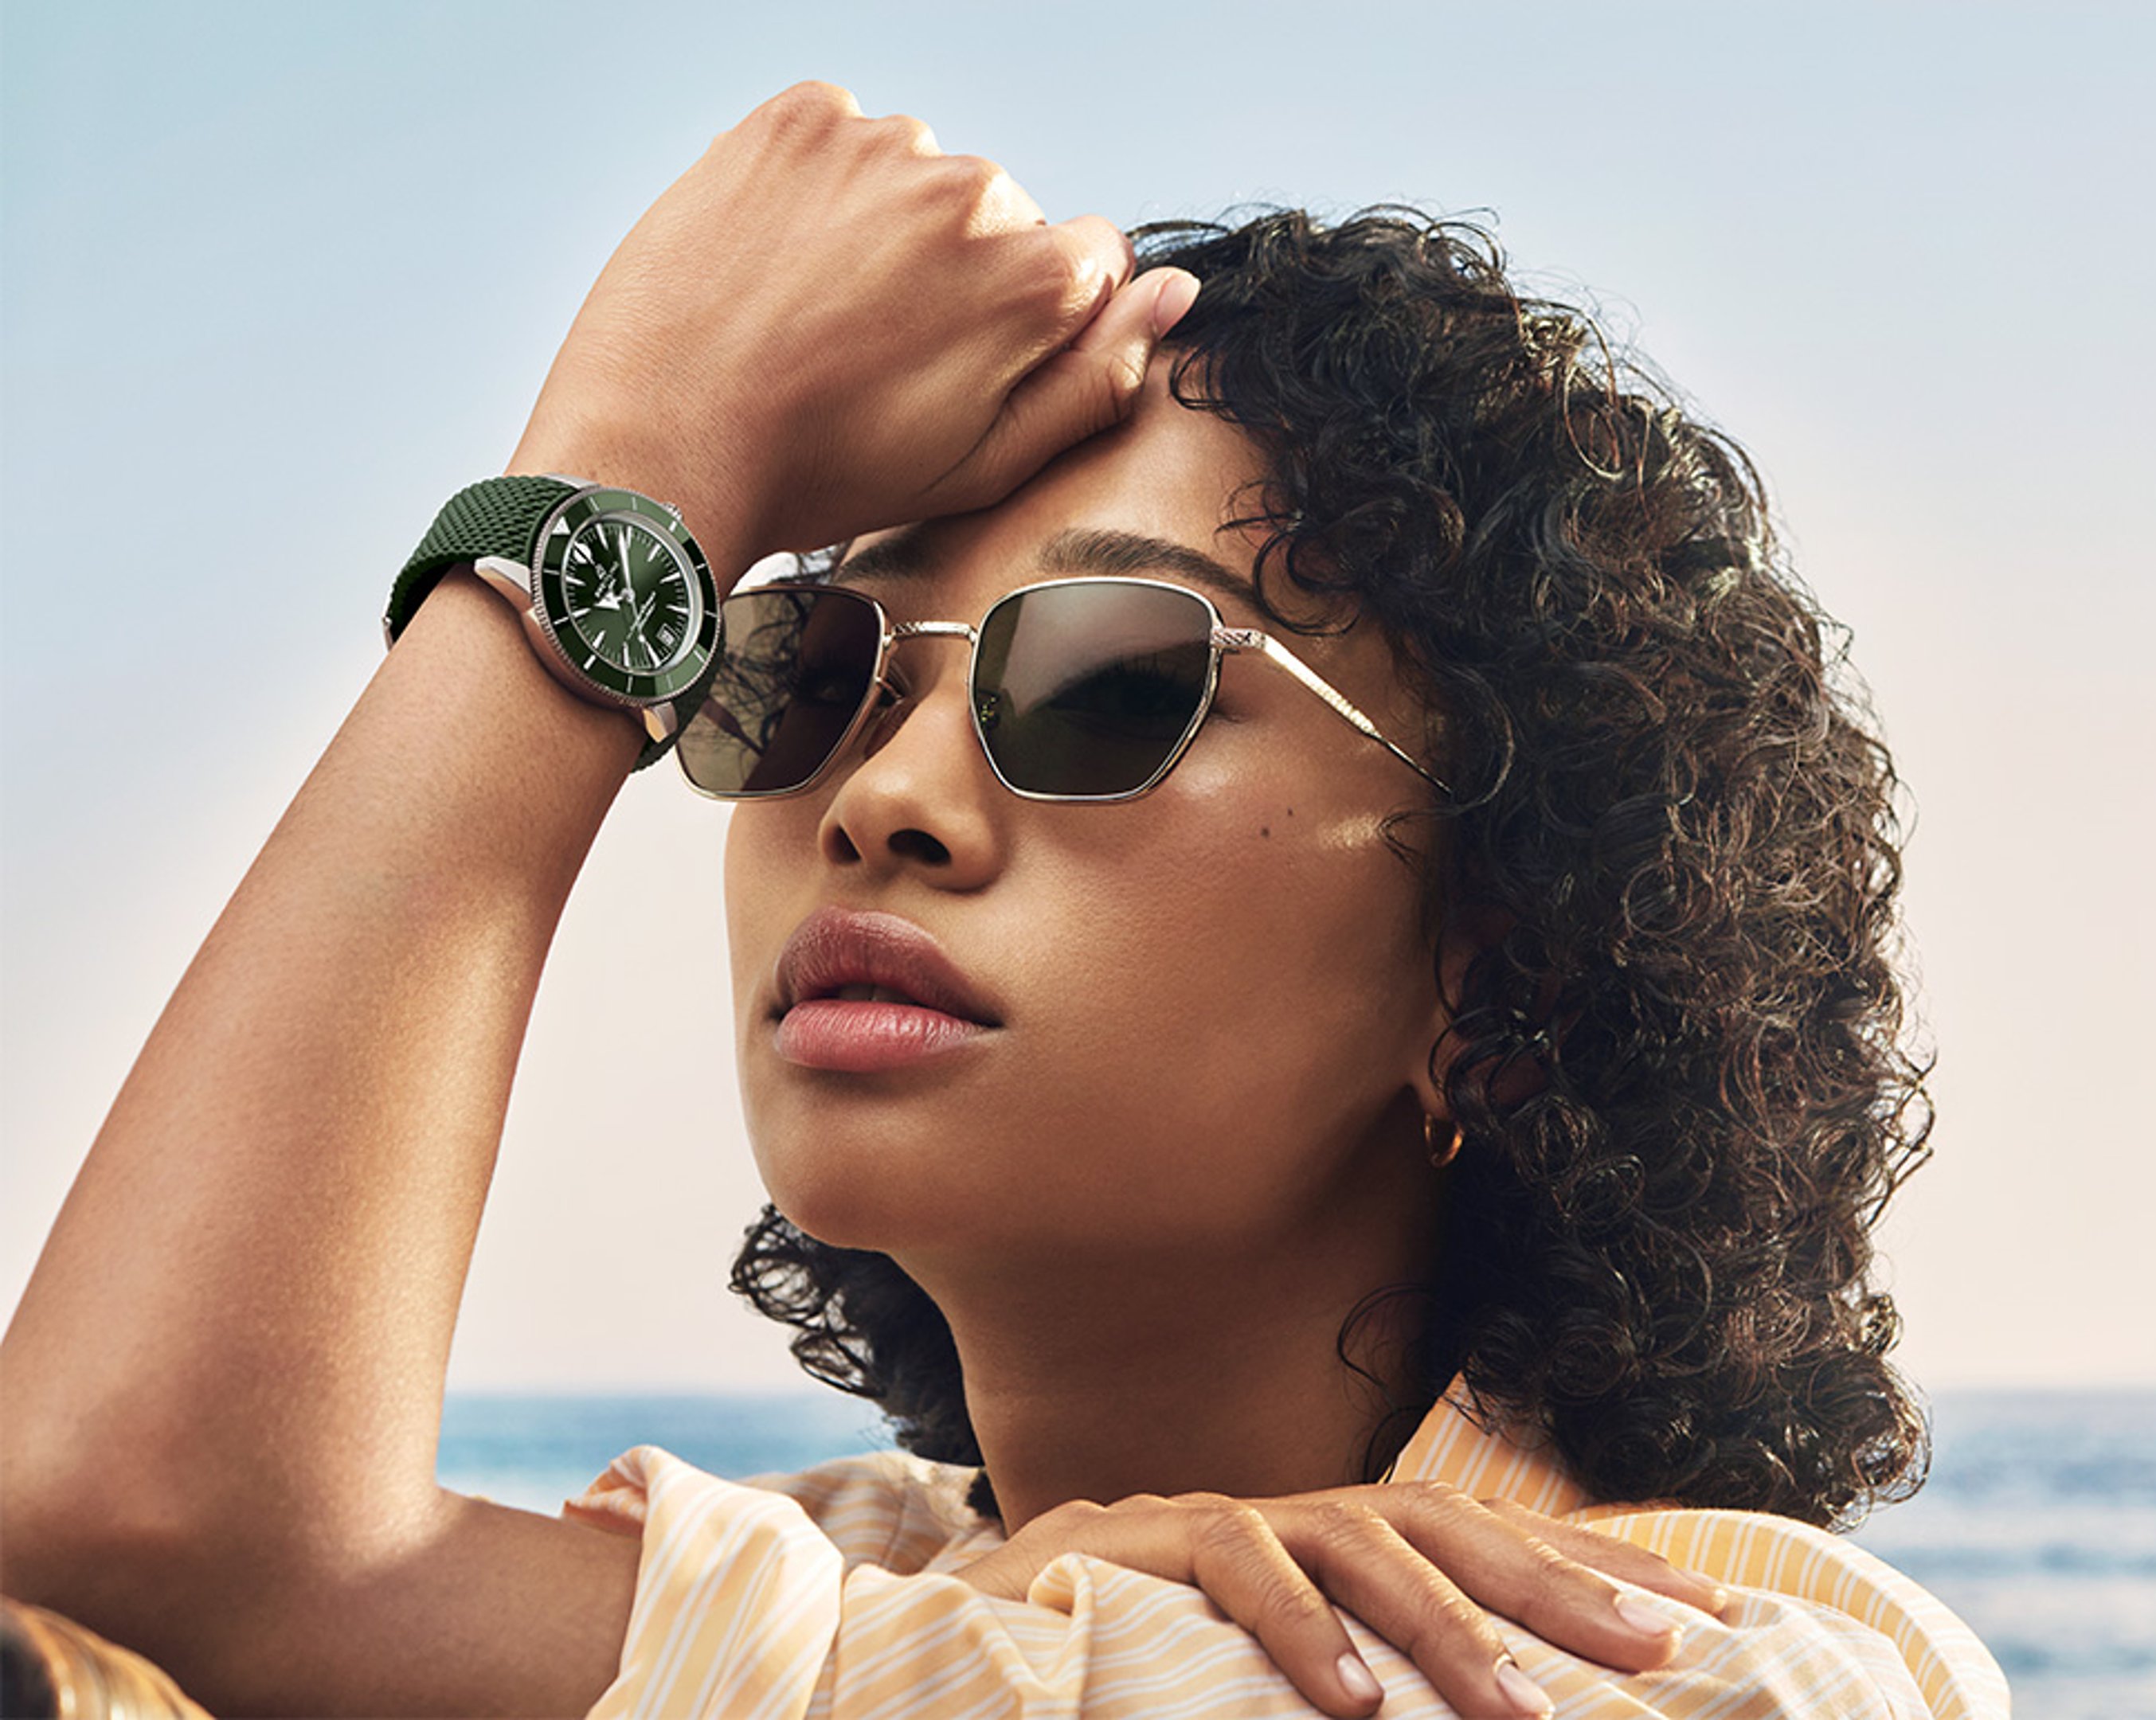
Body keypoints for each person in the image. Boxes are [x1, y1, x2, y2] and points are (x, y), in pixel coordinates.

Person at [0, 83, 2001, 1718]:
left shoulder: (1665, 1677)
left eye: (1117, 679)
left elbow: (154, 1515)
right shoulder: (878, 1570)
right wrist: (1022, 1622)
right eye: (801, 674)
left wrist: (620, 475)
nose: (883, 797)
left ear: (1496, 972)